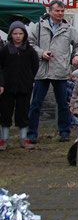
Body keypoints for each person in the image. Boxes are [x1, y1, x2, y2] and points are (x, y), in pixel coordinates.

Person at [28, 0, 78, 142]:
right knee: (36, 104)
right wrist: (41, 53)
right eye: (57, 11)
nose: (60, 13)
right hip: (43, 71)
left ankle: (64, 132)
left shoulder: (69, 29)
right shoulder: (39, 27)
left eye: (62, 11)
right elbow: (30, 44)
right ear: (50, 11)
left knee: (63, 104)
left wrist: (77, 56)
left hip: (61, 71)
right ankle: (32, 133)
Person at [0, 21, 40, 150]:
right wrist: (2, 83)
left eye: (20, 33)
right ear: (10, 34)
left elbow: (35, 65)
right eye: (15, 33)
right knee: (5, 113)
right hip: (7, 88)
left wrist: (29, 79)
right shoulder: (5, 50)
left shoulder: (30, 51)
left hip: (24, 87)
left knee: (23, 113)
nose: (18, 36)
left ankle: (23, 139)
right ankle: (4, 139)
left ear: (24, 35)